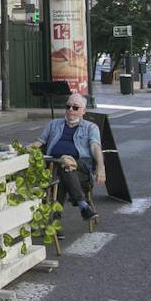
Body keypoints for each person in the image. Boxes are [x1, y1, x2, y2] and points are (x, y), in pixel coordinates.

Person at [31, 93, 104, 221]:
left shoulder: (90, 127)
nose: (70, 110)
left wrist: (100, 167)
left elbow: (95, 147)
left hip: (81, 169)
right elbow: (39, 142)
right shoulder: (54, 124)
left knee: (65, 165)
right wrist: (21, 150)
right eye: (68, 106)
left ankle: (55, 221)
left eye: (75, 108)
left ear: (83, 111)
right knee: (62, 169)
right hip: (54, 165)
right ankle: (83, 206)